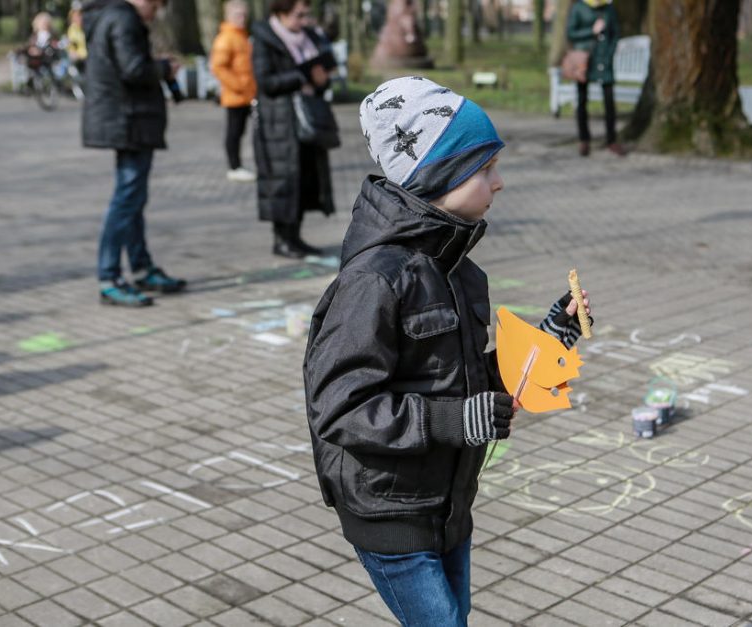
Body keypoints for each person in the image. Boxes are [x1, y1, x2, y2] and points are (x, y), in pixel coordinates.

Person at [303, 76, 593, 627]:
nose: (498, 183)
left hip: (448, 501)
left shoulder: (458, 271)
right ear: (439, 176)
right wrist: (455, 419)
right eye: (484, 169)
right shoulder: (375, 282)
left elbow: (470, 380)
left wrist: (551, 338)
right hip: (389, 508)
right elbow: (339, 407)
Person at [82, 0, 186, 307]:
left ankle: (140, 267)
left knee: (133, 199)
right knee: (126, 200)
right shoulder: (123, 18)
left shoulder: (112, 16)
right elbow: (133, 68)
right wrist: (164, 68)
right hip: (128, 120)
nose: (158, 10)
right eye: (157, 3)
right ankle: (109, 276)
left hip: (126, 120)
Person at [252, 0, 337, 258]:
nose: (303, 21)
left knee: (305, 178)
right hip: (278, 122)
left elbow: (323, 76)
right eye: (298, 15)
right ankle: (282, 239)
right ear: (281, 12)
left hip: (307, 119)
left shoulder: (310, 37)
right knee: (283, 179)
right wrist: (302, 76)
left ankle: (296, 237)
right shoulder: (264, 39)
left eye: (306, 15)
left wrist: (321, 80)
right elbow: (265, 81)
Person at [566, 0, 623, 157]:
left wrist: (610, 54)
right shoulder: (579, 7)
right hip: (585, 59)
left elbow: (615, 33)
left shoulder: (609, 7)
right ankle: (584, 139)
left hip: (604, 60)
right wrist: (591, 31)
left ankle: (612, 139)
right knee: (582, 100)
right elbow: (570, 33)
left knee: (609, 102)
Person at [211, 0, 258, 182]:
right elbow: (218, 67)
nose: (242, 18)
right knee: (234, 132)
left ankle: (243, 165)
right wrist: (239, 86)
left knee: (251, 130)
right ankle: (234, 166)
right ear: (228, 16)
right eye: (238, 14)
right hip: (235, 94)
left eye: (244, 14)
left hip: (248, 94)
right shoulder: (226, 38)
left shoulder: (242, 36)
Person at [67, 3, 88, 72]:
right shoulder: (72, 30)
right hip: (81, 61)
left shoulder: (89, 26)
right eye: (75, 16)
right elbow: (71, 47)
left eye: (79, 15)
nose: (78, 18)